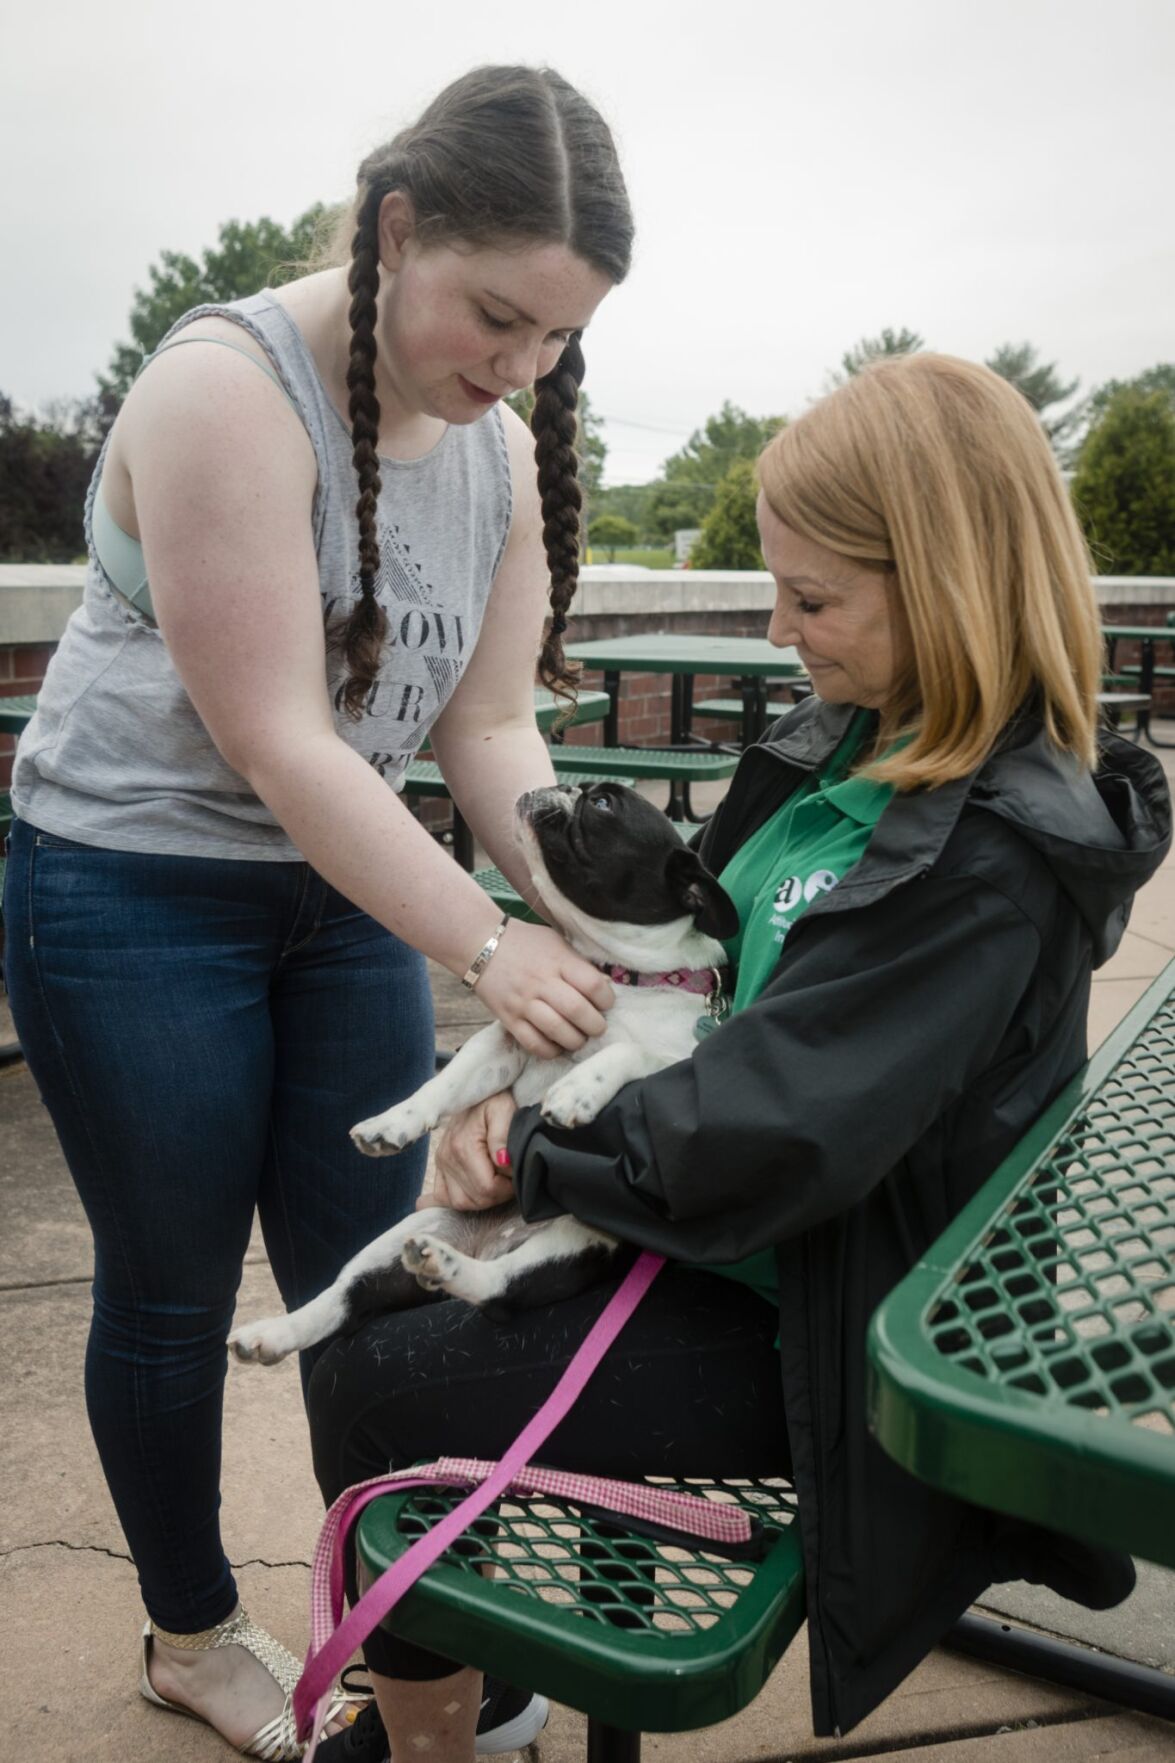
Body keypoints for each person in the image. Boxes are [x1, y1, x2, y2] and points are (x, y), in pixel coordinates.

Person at [304, 351, 1172, 1763]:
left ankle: (437, 1737)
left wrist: (531, 1150)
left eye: (814, 599)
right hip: (750, 1243)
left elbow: (772, 1130)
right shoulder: (855, 746)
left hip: (831, 1321)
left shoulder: (988, 855)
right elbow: (691, 983)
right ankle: (478, 1697)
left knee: (371, 1381)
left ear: (947, 581)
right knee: (374, 1301)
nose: (780, 630)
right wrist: (529, 1087)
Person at [2, 65, 633, 1760]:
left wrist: (597, 918)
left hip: (340, 894)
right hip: (134, 890)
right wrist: (493, 945)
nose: (518, 369)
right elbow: (284, 741)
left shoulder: (496, 450)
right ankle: (192, 1635)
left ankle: (420, 1640)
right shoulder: (226, 389)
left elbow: (489, 730)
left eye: (555, 341)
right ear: (396, 226)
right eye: (497, 317)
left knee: (391, 1278)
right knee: (168, 1287)